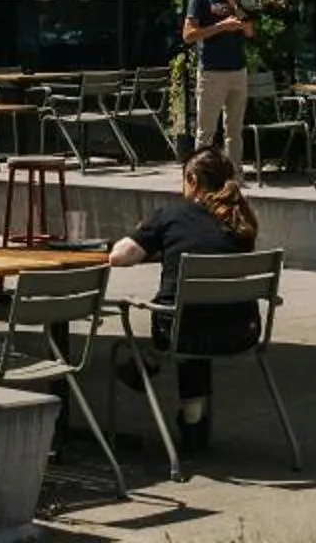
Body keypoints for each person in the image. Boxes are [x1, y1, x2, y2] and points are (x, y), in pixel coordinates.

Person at [107, 147, 262, 457]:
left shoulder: (173, 215)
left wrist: (151, 237)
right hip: (241, 331)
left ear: (191, 179)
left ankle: (151, 362)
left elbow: (118, 257)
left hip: (179, 332)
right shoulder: (240, 222)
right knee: (200, 313)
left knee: (184, 318)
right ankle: (192, 419)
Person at [182, 0, 253, 161]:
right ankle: (203, 179)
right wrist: (221, 27)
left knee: (234, 132)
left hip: (237, 71)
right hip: (212, 73)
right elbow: (188, 35)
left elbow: (249, 31)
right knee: (206, 133)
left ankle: (235, 178)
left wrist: (233, 3)